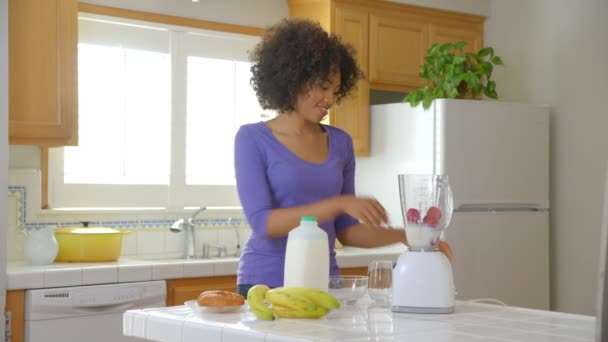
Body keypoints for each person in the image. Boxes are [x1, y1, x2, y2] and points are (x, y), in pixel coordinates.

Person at [234, 18, 451, 297]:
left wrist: (407, 236)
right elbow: (264, 224)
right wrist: (339, 203)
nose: (330, 99)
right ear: (293, 79)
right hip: (265, 283)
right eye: (323, 87)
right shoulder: (252, 139)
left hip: (325, 283)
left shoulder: (340, 143)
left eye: (335, 90)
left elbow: (347, 233)